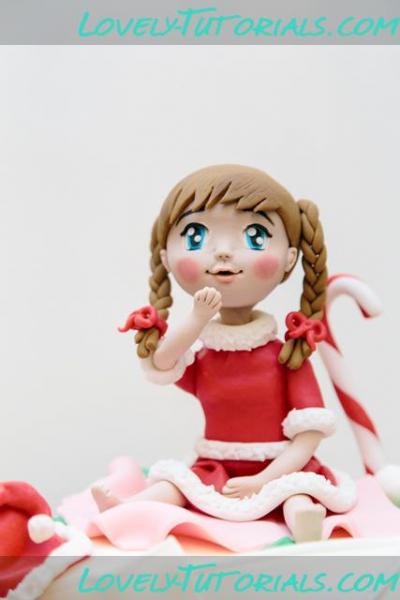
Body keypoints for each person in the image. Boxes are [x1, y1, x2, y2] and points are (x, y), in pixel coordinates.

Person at [92, 164, 357, 542]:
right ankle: (127, 509)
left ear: (289, 258)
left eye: (255, 236)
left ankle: (304, 522)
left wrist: (264, 480)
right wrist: (197, 318)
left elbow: (308, 438)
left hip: (279, 470)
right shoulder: (206, 357)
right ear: (166, 258)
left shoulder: (287, 356)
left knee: (296, 494)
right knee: (173, 486)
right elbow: (163, 362)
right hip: (214, 468)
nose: (223, 253)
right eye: (196, 236)